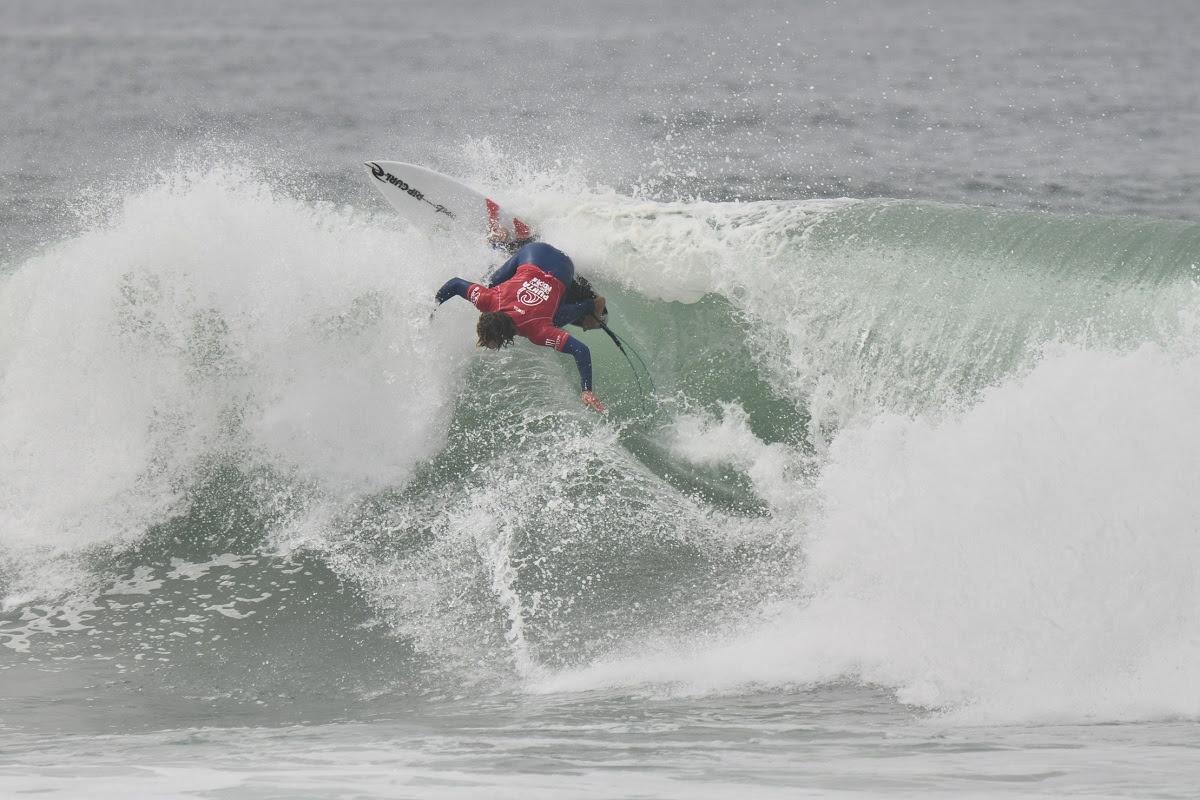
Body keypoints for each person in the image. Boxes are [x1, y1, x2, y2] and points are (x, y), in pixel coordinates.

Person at [434, 242, 608, 412]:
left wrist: (587, 390)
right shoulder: (488, 300)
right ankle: (502, 243)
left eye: (488, 341)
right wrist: (432, 309)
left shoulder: (538, 330)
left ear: (503, 335)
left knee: (554, 319)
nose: (485, 343)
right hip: (536, 250)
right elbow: (455, 284)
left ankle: (592, 305)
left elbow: (581, 350)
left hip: (563, 266)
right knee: (493, 285)